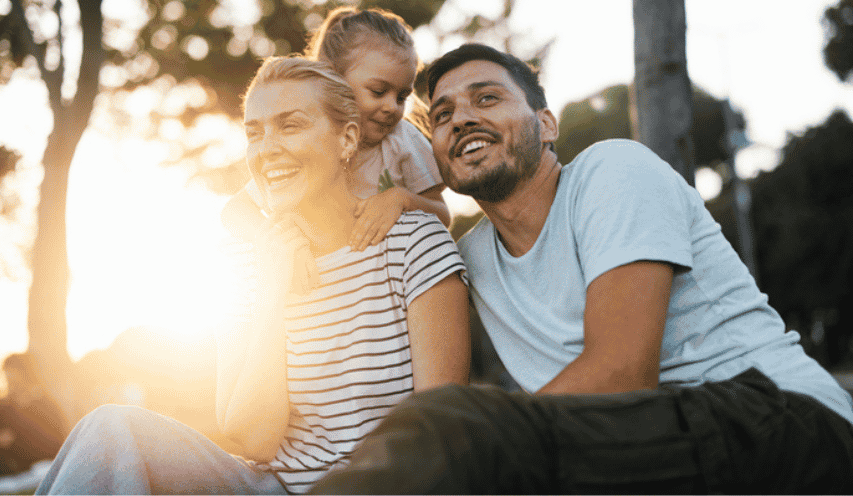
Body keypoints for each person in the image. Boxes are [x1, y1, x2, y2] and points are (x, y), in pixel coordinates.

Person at [310, 43, 853, 494]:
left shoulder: (612, 170)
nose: (463, 118)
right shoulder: (468, 255)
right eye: (443, 115)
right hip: (640, 451)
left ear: (546, 124)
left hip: (784, 421)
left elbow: (622, 373)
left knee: (455, 430)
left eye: (488, 98)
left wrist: (482, 437)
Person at [35, 56, 470, 495]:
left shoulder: (415, 243)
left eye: (290, 126)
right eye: (254, 133)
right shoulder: (243, 264)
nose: (267, 149)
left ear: (347, 138)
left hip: (386, 487)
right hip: (270, 487)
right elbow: (255, 438)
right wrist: (272, 283)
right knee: (111, 430)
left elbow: (439, 430)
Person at [224, 7, 450, 252]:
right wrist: (274, 243)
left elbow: (442, 216)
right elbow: (235, 211)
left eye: (402, 96)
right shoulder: (299, 157)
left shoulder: (402, 139)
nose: (391, 107)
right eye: (378, 91)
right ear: (334, 79)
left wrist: (401, 199)